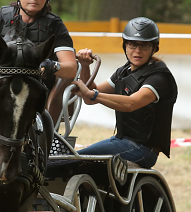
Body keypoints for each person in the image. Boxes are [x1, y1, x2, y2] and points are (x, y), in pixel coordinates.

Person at [69, 17, 177, 168]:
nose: (137, 51)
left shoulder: (159, 78)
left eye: (144, 46)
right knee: (70, 158)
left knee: (71, 160)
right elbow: (90, 98)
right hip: (121, 141)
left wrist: (92, 94)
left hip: (143, 149)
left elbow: (131, 103)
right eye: (132, 44)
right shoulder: (124, 72)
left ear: (154, 48)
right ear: (125, 46)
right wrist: (85, 66)